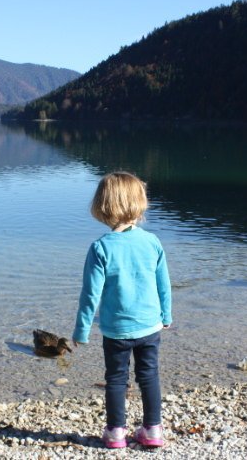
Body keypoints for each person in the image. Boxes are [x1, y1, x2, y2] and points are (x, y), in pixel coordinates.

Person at [72, 171, 172, 449]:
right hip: (150, 326)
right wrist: (166, 316)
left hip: (116, 329)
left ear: (102, 206)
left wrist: (81, 330)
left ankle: (116, 433)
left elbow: (90, 294)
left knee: (116, 379)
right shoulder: (152, 242)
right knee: (149, 375)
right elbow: (164, 284)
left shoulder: (101, 248)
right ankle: (152, 430)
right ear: (140, 202)